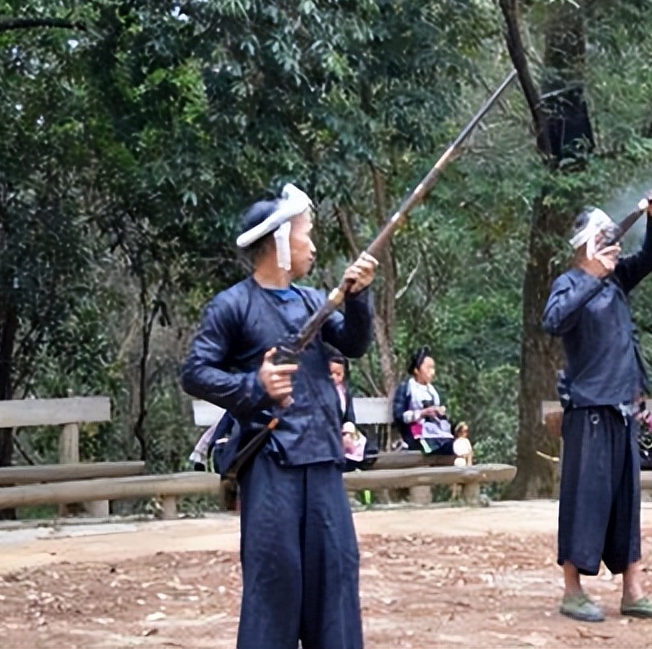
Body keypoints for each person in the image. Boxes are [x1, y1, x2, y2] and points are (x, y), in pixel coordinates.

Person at [182, 183, 377, 649]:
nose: (312, 245)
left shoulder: (313, 301)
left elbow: (353, 344)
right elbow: (196, 372)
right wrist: (254, 387)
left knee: (336, 580)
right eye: (305, 234)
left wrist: (358, 298)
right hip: (270, 466)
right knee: (274, 585)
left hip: (324, 461)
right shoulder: (233, 305)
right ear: (280, 241)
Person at [541, 184, 652, 623]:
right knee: (583, 499)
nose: (613, 247)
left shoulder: (618, 278)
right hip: (588, 409)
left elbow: (651, 256)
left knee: (626, 501)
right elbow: (554, 320)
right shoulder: (571, 282)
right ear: (585, 246)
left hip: (623, 407)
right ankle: (572, 590)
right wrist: (592, 277)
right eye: (603, 239)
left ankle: (633, 590)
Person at [392, 347, 456, 456]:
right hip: (415, 434)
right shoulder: (406, 388)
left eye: (433, 368)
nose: (432, 372)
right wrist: (422, 413)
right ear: (417, 370)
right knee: (443, 447)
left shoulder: (433, 391)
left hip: (436, 431)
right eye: (428, 368)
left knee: (457, 444)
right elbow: (399, 416)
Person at [330, 351, 379, 471]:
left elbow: (349, 416)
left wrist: (348, 430)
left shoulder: (345, 392)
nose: (334, 377)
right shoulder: (321, 393)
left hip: (344, 430)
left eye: (338, 374)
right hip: (330, 434)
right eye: (330, 373)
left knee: (362, 442)